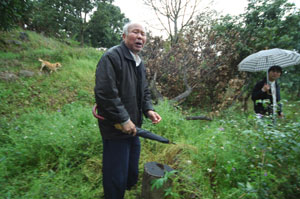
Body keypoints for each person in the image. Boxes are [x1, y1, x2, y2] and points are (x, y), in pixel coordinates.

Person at [94, 22, 162, 199]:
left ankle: (127, 188)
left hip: (134, 127)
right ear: (124, 36)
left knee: (131, 166)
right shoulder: (111, 57)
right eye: (135, 32)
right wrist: (123, 119)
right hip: (116, 127)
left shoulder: (139, 62)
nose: (140, 37)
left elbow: (144, 90)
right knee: (115, 169)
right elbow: (106, 93)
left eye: (143, 34)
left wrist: (148, 109)